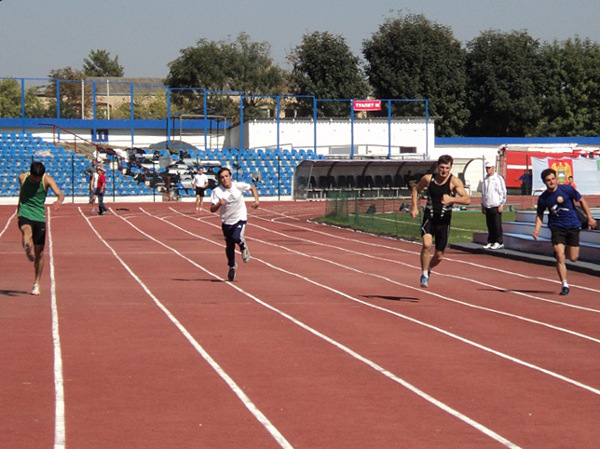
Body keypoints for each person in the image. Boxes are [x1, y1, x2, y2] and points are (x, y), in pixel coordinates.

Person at [533, 168, 597, 296]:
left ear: (556, 179)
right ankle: (564, 284)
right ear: (544, 182)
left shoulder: (567, 189)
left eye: (553, 179)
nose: (551, 182)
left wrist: (590, 217)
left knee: (573, 258)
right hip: (557, 227)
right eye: (548, 180)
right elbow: (540, 215)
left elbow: (581, 201)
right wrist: (536, 230)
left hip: (573, 226)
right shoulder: (543, 198)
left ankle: (564, 250)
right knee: (559, 255)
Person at [410, 155, 471, 288]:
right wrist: (414, 207)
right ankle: (424, 274)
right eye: (442, 167)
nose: (444, 171)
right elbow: (415, 189)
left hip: (444, 221)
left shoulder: (454, 182)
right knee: (426, 244)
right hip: (430, 218)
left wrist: (452, 199)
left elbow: (467, 199)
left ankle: (429, 269)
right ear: (437, 166)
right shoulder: (428, 178)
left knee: (439, 256)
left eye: (447, 168)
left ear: (451, 168)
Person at [17, 161, 64, 295]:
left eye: (38, 178)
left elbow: (60, 194)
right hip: (25, 213)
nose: (36, 180)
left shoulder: (47, 180)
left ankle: (36, 282)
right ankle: (27, 245)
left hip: (39, 217)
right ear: (30, 174)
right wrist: (18, 208)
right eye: (34, 178)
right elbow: (22, 193)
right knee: (26, 230)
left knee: (40, 253)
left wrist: (58, 201)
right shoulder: (22, 178)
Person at [210, 167, 260, 281]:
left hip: (240, 218)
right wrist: (219, 204)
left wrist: (256, 200)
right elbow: (212, 209)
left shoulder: (238, 186)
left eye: (226, 176)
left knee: (236, 237)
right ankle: (232, 266)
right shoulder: (217, 191)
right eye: (222, 177)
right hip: (227, 221)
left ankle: (243, 247)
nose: (225, 179)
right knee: (230, 246)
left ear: (230, 177)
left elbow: (252, 187)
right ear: (219, 179)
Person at [481, 160, 507, 250]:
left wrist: (501, 204)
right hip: (488, 205)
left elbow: (503, 192)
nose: (488, 169)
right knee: (490, 224)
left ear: (493, 168)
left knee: (496, 224)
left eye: (489, 168)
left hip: (496, 205)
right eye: (486, 168)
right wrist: (483, 204)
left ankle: (499, 242)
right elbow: (484, 193)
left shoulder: (498, 179)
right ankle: (491, 241)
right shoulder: (485, 179)